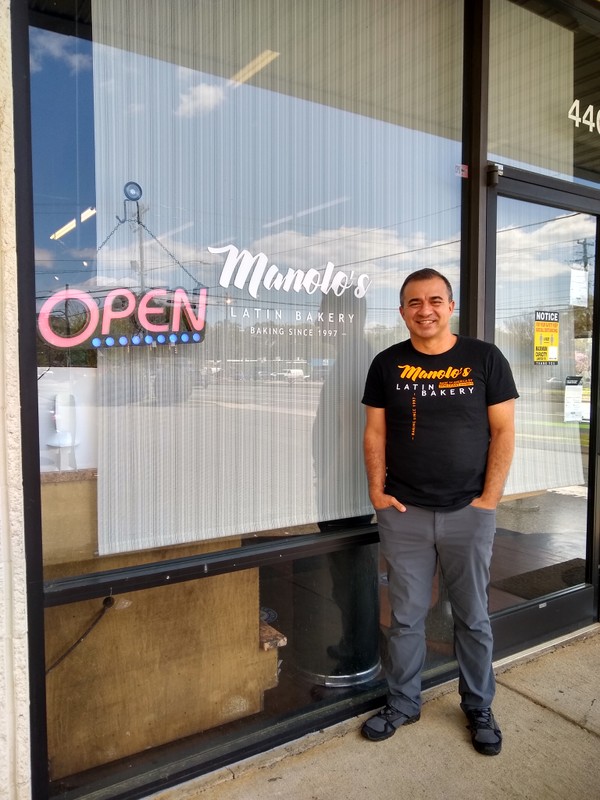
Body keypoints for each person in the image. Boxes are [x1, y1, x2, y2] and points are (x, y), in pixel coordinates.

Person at [360, 268, 518, 756]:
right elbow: (375, 433)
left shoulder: (485, 358)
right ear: (402, 311)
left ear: (450, 306)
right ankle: (404, 701)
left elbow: (505, 432)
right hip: (404, 511)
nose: (424, 310)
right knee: (406, 616)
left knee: (472, 616)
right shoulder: (387, 364)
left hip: (468, 511)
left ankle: (478, 706)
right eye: (413, 302)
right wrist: (377, 492)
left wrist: (488, 500)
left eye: (434, 300)